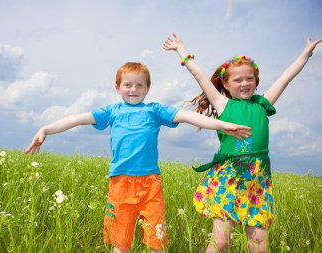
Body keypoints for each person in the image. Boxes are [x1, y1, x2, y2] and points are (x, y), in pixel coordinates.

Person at [25, 62, 252, 253]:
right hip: (120, 183)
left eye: (139, 85)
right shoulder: (112, 111)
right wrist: (45, 129)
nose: (133, 89)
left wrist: (221, 124)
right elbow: (76, 119)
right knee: (120, 242)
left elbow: (188, 117)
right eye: (128, 85)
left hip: (150, 183)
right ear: (117, 87)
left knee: (156, 240)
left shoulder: (154, 110)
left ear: (147, 88)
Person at [163, 34, 322, 253]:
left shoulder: (262, 105)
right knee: (220, 243)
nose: (245, 83)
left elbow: (286, 78)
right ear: (226, 85)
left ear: (256, 81)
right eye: (237, 80)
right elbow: (198, 74)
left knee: (259, 244)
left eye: (249, 78)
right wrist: (180, 49)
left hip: (257, 181)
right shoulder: (223, 104)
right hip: (229, 178)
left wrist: (306, 54)